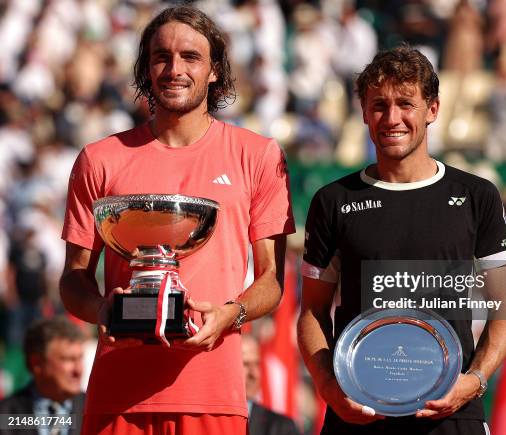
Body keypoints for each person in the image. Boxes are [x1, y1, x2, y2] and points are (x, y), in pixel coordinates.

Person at [59, 6, 294, 435]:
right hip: (117, 396)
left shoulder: (257, 156)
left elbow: (272, 281)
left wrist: (231, 314)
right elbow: (73, 279)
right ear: (146, 69)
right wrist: (101, 310)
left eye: (190, 57)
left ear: (215, 71)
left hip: (213, 395)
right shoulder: (99, 159)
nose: (174, 69)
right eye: (161, 57)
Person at [297, 45, 506, 435]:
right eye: (378, 105)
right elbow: (312, 312)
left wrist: (475, 382)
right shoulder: (333, 201)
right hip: (358, 412)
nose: (391, 118)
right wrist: (329, 386)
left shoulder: (476, 196)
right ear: (363, 112)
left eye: (405, 103)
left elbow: (504, 310)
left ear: (432, 109)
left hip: (451, 414)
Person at [0, 316, 85, 435]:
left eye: (80, 358)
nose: (78, 370)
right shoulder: (6, 415)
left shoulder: (96, 411)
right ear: (36, 363)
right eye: (68, 359)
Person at [242, 334, 301, 435]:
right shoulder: (211, 422)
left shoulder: (283, 428)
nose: (254, 374)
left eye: (257, 364)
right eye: (245, 364)